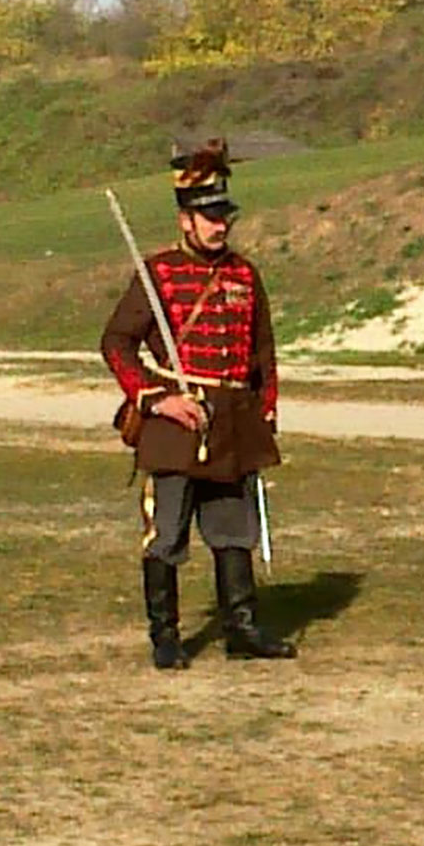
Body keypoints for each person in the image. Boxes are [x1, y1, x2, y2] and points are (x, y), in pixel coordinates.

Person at [101, 138, 295, 669]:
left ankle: (243, 629)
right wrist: (157, 399)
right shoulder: (157, 273)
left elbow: (263, 352)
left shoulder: (243, 275)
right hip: (174, 420)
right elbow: (116, 342)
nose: (219, 225)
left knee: (233, 532)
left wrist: (266, 411)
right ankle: (165, 636)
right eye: (208, 216)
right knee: (165, 534)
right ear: (185, 220)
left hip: (232, 420)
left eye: (223, 214)